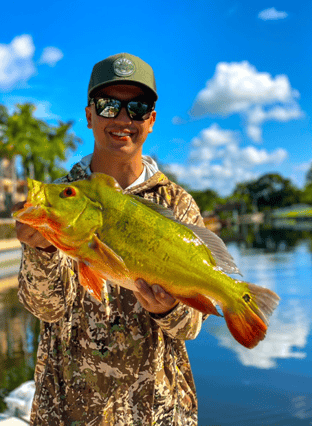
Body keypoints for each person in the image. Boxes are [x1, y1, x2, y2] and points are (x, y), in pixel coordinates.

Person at [14, 53, 207, 426]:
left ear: (150, 120)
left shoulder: (177, 205)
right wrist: (41, 252)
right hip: (67, 410)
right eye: (108, 106)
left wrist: (167, 308)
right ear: (89, 115)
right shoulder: (61, 201)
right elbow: (47, 309)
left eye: (136, 108)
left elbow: (191, 327)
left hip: (157, 413)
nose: (122, 119)